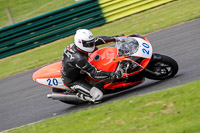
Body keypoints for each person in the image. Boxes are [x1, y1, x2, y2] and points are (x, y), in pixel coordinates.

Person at [61, 29, 122, 103]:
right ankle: (82, 96)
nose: (91, 45)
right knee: (98, 96)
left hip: (79, 69)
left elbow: (98, 40)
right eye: (88, 44)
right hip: (74, 80)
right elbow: (94, 74)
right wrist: (112, 74)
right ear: (80, 42)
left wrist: (115, 38)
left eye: (91, 43)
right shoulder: (79, 58)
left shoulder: (79, 45)